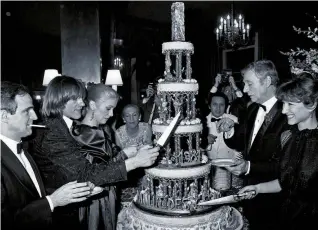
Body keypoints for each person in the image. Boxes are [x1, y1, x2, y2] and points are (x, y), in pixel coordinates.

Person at [30, 76, 159, 229]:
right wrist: (135, 161)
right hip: (67, 213)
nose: (81, 103)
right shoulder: (53, 131)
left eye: (82, 98)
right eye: (76, 99)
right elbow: (86, 173)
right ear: (60, 100)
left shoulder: (67, 126)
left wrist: (130, 154)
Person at [1, 81, 92, 230]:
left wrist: (74, 192)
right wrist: (52, 201)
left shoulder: (24, 147)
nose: (35, 116)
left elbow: (32, 195)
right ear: (4, 116)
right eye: (27, 111)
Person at [238, 73, 318, 230]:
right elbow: (286, 183)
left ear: (312, 104)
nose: (284, 111)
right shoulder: (287, 136)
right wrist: (258, 188)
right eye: (283, 104)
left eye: (291, 104)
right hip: (284, 218)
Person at [217, 60, 288, 230]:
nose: (246, 89)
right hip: (250, 192)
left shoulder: (288, 114)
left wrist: (248, 167)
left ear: (268, 82)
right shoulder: (252, 109)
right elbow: (240, 142)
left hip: (275, 203)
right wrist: (229, 130)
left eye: (249, 84)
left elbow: (285, 167)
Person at [115, 104, 153, 208]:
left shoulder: (146, 128)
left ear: (140, 117)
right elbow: (119, 158)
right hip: (127, 172)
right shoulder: (118, 133)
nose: (131, 119)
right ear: (123, 118)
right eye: (127, 116)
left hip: (144, 169)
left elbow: (149, 151)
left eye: (135, 115)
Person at [205, 92, 241, 191]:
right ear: (209, 106)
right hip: (209, 167)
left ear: (226, 106)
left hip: (230, 165)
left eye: (221, 105)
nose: (218, 108)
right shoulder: (202, 122)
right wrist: (205, 141)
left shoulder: (234, 120)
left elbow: (242, 142)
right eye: (215, 104)